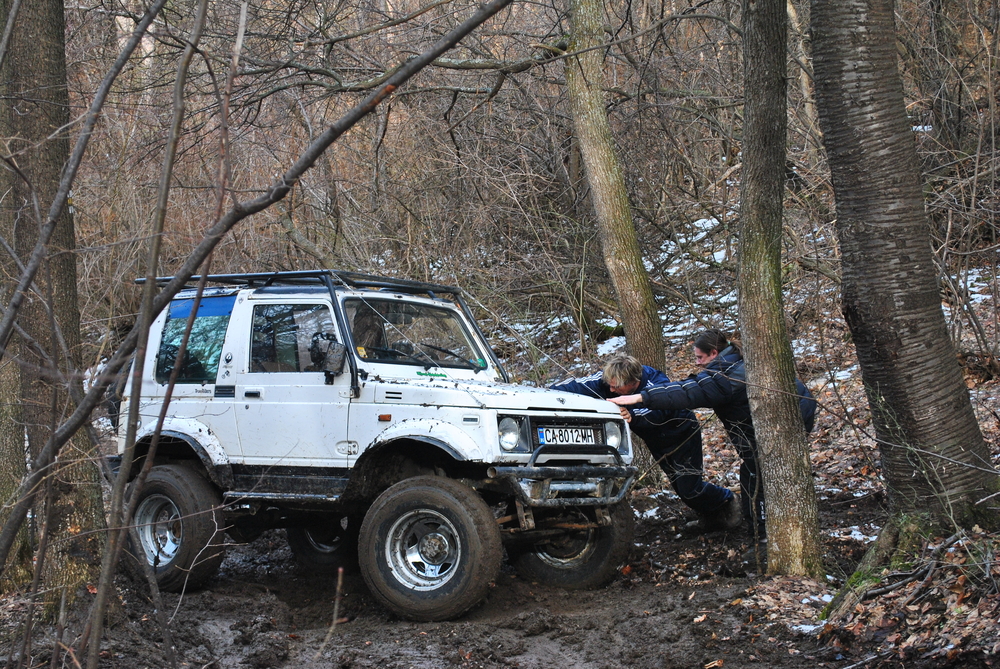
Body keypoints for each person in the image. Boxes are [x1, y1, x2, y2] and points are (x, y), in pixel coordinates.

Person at [609, 330, 817, 551]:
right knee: (763, 474)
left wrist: (640, 397)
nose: (697, 363)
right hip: (788, 421)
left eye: (700, 357)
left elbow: (687, 392)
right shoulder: (736, 362)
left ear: (714, 353)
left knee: (755, 478)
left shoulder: (725, 378)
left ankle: (764, 540)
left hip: (782, 426)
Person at [551, 353, 741, 532]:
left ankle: (728, 500)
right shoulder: (607, 381)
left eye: (616, 387)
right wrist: (548, 393)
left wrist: (632, 415)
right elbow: (575, 386)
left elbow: (660, 409)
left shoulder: (656, 381)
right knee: (681, 488)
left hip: (682, 434)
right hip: (656, 440)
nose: (611, 390)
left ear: (633, 383)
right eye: (610, 385)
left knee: (690, 488)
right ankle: (711, 516)